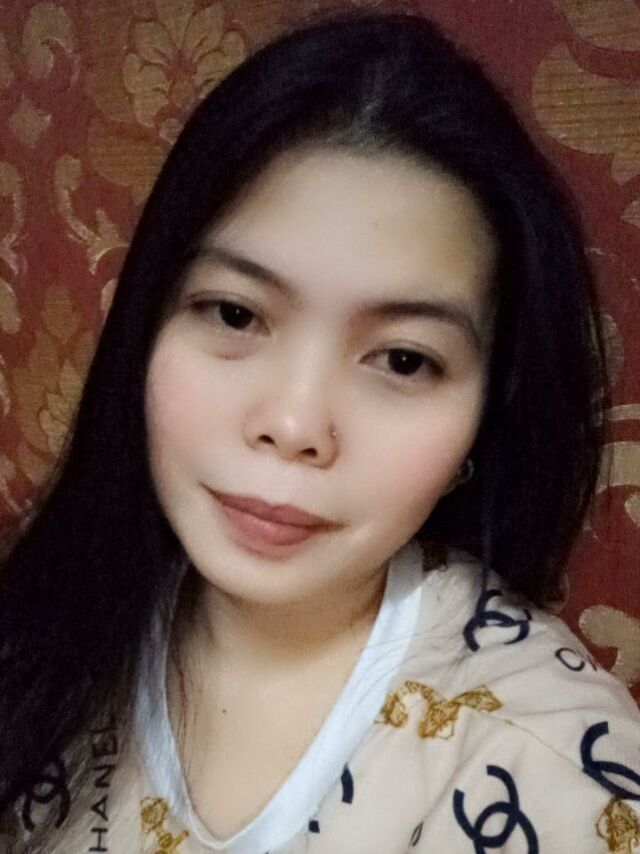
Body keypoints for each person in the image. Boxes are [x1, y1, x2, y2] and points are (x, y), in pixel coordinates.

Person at [1, 7, 639, 853]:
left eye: (404, 360)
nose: (294, 424)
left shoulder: (551, 770)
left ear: (487, 415)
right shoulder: (70, 606)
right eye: (235, 313)